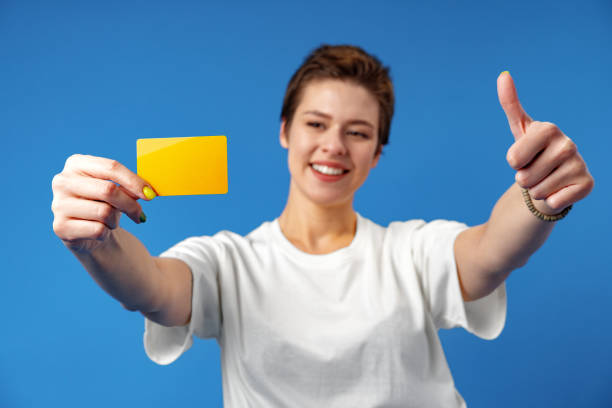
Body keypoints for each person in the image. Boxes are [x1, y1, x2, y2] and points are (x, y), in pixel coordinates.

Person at [51, 45, 594, 407]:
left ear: (378, 153)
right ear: (285, 131)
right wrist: (96, 240)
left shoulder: (411, 251)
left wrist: (538, 193)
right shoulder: (225, 262)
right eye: (316, 124)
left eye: (358, 132)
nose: (334, 145)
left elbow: (491, 251)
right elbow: (150, 287)